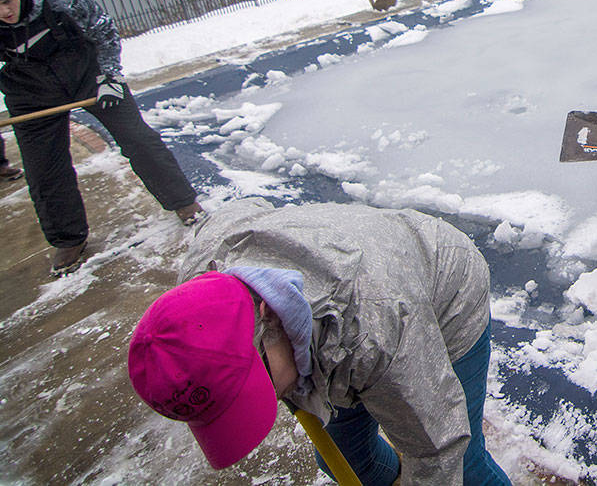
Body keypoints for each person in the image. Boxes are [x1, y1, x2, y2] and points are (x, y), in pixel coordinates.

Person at [128, 198, 512, 486]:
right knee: (342, 459)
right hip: (335, 313)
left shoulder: (374, 326)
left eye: (260, 385)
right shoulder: (198, 286)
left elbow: (437, 449)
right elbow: (242, 208)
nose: (276, 398)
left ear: (267, 314)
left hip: (443, 285)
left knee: (463, 467)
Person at [0, 0, 202, 276]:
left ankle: (184, 202)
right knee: (43, 168)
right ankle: (68, 239)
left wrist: (109, 75)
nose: (4, 13)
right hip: (30, 94)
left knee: (138, 139)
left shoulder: (57, 1)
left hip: (88, 76)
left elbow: (104, 28)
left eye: (6, 2)